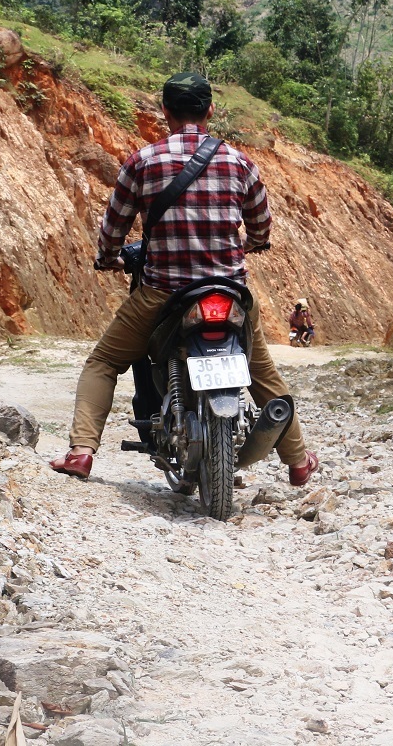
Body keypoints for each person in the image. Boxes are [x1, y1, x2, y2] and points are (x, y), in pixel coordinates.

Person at [49, 72, 320, 486]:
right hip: (230, 292)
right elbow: (261, 229)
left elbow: (113, 228)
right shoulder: (240, 162)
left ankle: (82, 452)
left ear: (165, 112)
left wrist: (108, 259)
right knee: (261, 371)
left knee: (103, 362)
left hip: (164, 292)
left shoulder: (142, 162)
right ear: (210, 110)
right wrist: (247, 245)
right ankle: (298, 461)